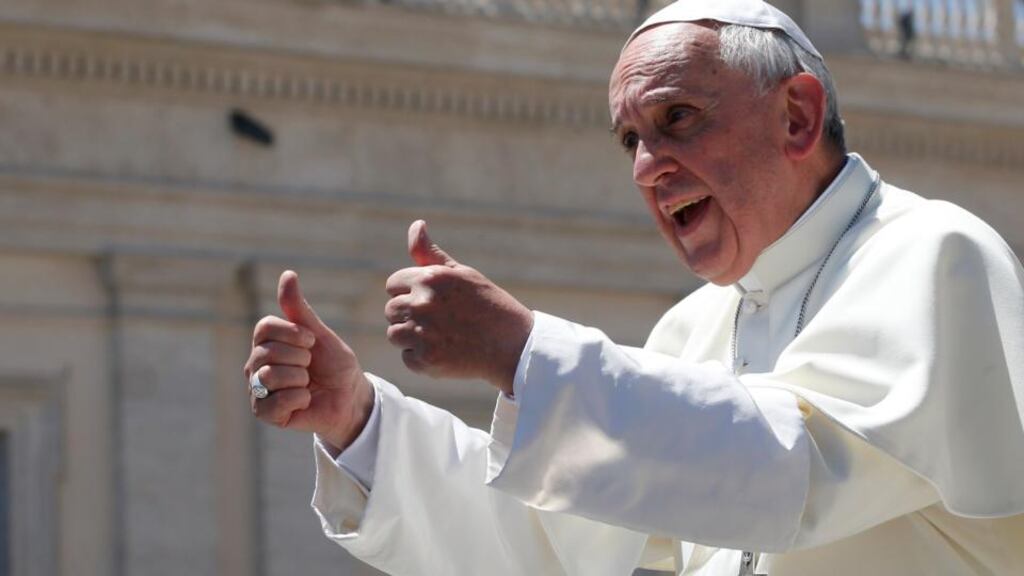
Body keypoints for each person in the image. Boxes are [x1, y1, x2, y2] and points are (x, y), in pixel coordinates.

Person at [242, 1, 1024, 574]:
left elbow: (794, 469)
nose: (647, 167)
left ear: (796, 116)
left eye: (678, 118)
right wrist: (360, 421)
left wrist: (522, 351)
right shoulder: (693, 331)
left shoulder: (934, 257)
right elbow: (549, 545)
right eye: (630, 141)